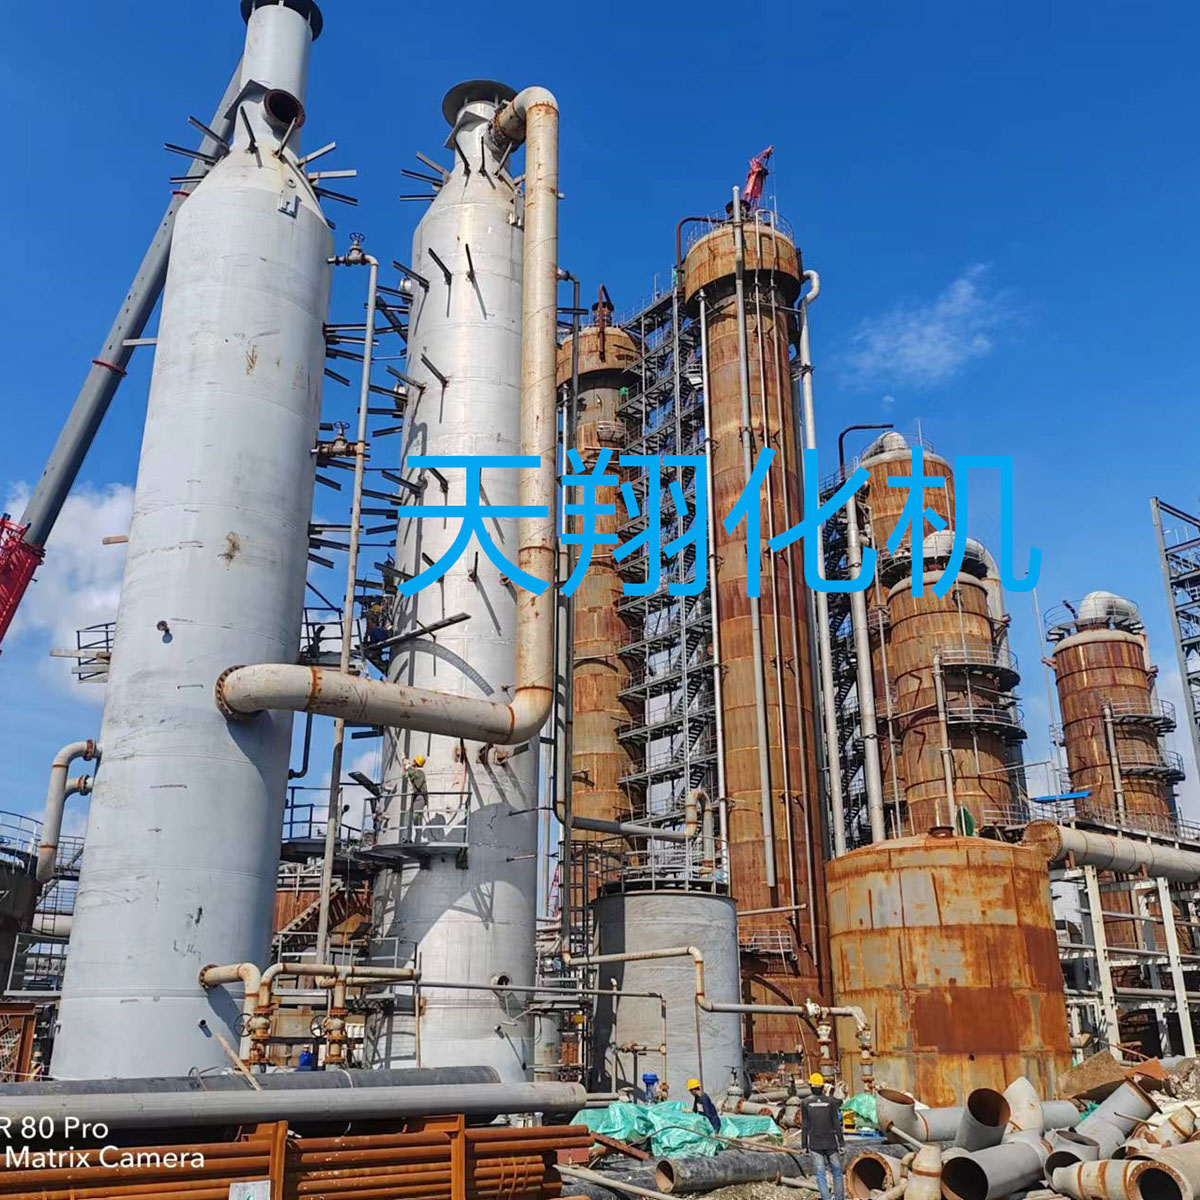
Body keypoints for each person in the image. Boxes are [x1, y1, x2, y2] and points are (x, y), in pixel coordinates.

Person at [801, 1072, 845, 1200]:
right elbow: (836, 1124)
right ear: (822, 1087)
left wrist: (804, 1146)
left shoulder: (806, 1103)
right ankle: (839, 1198)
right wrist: (841, 1143)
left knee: (820, 1175)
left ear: (811, 1087)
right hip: (831, 1143)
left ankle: (826, 1198)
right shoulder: (830, 1102)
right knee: (837, 1173)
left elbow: (805, 1126)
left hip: (815, 1145)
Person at [402, 754, 429, 839]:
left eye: (414, 761)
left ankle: (414, 838)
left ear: (416, 763)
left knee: (414, 816)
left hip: (420, 798)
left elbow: (414, 775)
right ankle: (407, 838)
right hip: (416, 798)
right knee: (409, 816)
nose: (413, 761)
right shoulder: (417, 772)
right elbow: (408, 774)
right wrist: (405, 764)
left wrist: (408, 766)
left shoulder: (420, 773)